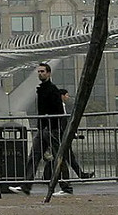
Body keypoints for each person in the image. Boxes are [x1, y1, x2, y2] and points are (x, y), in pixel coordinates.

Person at [9, 63, 72, 195]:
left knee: (58, 157)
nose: (40, 74)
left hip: (51, 129)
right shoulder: (42, 89)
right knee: (34, 156)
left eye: (43, 71)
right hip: (43, 128)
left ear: (49, 73)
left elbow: (58, 111)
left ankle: (66, 187)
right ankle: (26, 186)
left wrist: (51, 123)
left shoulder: (52, 90)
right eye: (39, 72)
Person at [58, 89, 94, 180]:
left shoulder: (61, 105)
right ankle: (70, 179)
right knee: (66, 157)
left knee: (67, 157)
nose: (67, 97)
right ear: (62, 96)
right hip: (60, 135)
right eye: (66, 95)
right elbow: (63, 122)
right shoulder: (59, 106)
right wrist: (72, 134)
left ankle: (80, 175)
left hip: (61, 135)